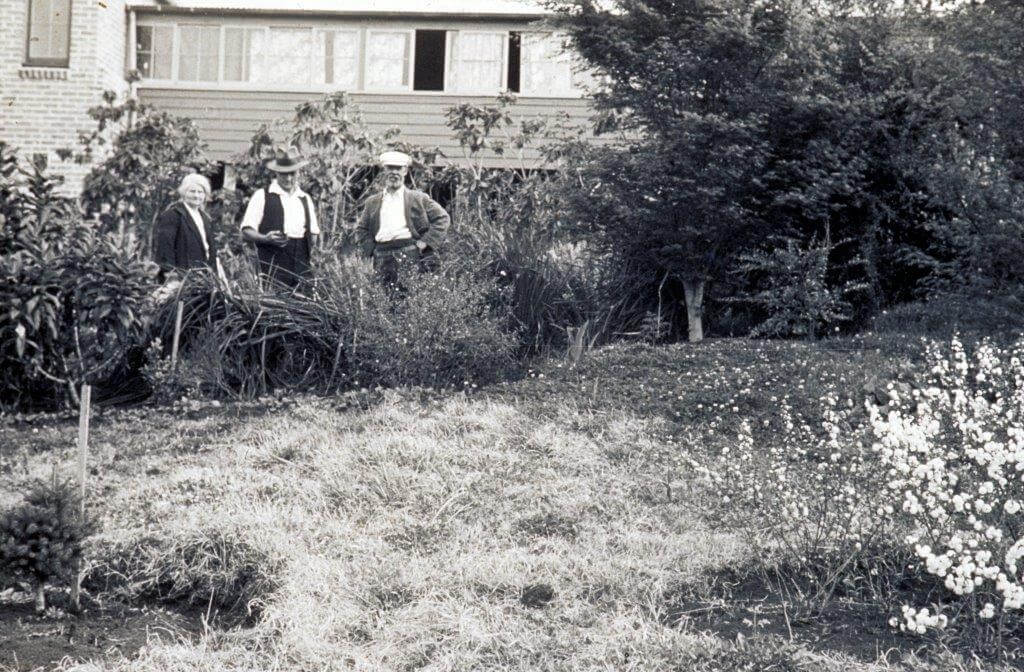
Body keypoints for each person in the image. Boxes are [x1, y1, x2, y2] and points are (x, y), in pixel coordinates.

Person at [356, 150, 450, 284]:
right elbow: (361, 229)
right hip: (382, 256)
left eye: (398, 168)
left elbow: (442, 218)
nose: (394, 172)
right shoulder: (372, 202)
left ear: (405, 171)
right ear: (384, 170)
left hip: (410, 253)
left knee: (410, 299)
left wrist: (426, 242)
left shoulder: (418, 198)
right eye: (390, 168)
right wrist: (371, 249)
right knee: (383, 300)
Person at [240, 147, 319, 288]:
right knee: (274, 304)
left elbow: (313, 235)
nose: (288, 178)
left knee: (302, 305)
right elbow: (246, 231)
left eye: (292, 173)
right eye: (283, 174)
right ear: (276, 173)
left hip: (301, 264)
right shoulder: (262, 196)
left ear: (298, 172)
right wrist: (265, 238)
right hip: (272, 263)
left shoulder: (305, 198)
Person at [153, 172, 223, 283]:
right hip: (182, 278)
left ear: (205, 195)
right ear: (184, 193)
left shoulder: (204, 217)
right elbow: (165, 249)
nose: (197, 196)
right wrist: (171, 276)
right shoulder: (173, 215)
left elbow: (208, 248)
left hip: (202, 277)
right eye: (192, 191)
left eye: (200, 192)